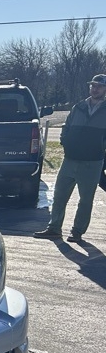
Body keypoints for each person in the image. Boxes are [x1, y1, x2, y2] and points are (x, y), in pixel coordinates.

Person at [34, 74, 106, 243]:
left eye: (99, 86)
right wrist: (64, 141)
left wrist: (101, 148)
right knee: (59, 195)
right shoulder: (79, 107)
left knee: (86, 199)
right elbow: (67, 127)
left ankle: (77, 232)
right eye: (93, 85)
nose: (95, 89)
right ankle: (54, 229)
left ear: (105, 89)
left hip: (92, 161)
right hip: (70, 158)